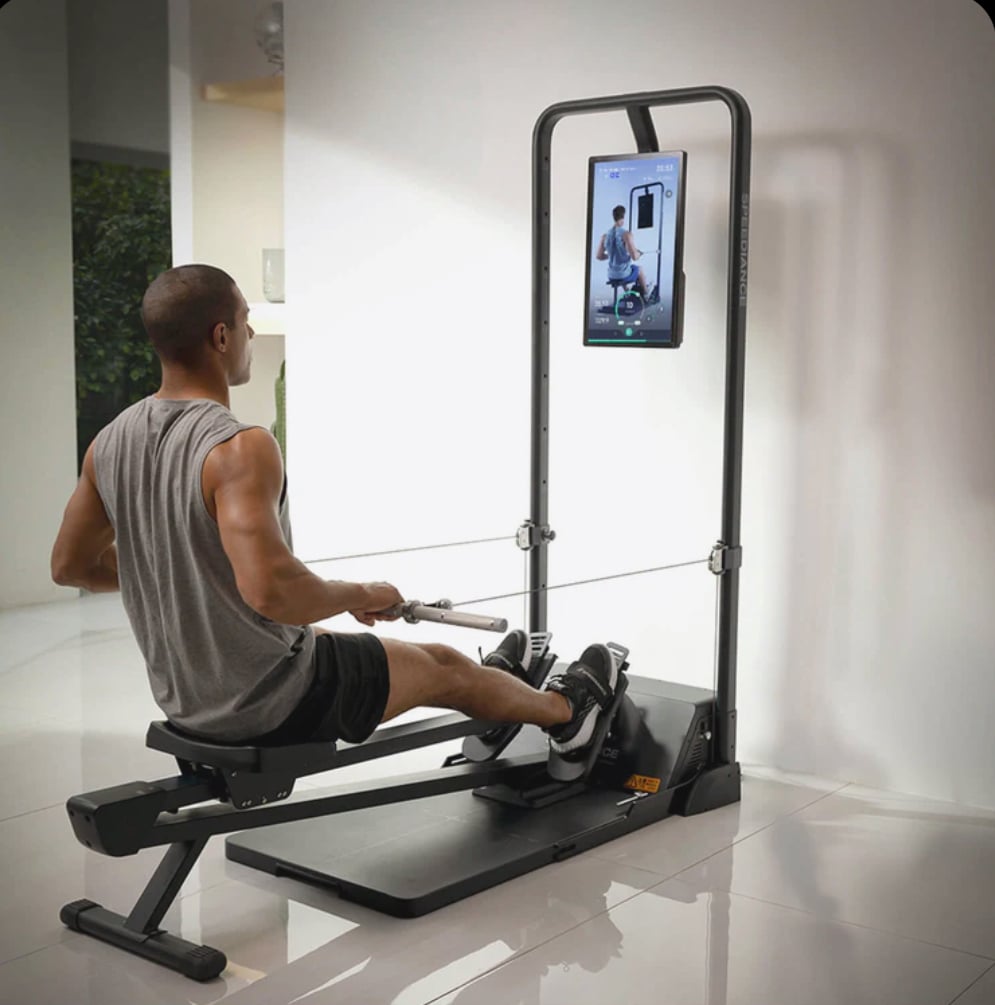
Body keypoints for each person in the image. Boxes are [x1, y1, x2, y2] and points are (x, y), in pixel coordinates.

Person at [50, 264, 619, 759]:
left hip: (188, 699)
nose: (250, 331)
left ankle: (496, 693)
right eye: (244, 320)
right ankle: (567, 715)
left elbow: (71, 566)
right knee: (444, 664)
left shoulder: (109, 443)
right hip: (274, 700)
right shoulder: (237, 446)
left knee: (414, 660)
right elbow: (271, 593)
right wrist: (361, 594)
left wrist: (180, 573)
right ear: (221, 336)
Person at [596, 204, 649, 301]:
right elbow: (634, 257)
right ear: (623, 217)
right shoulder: (626, 234)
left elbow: (599, 256)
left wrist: (612, 256)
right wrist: (639, 253)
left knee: (626, 268)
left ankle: (627, 292)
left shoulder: (605, 236)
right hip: (623, 274)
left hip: (611, 274)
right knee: (639, 269)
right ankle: (646, 294)